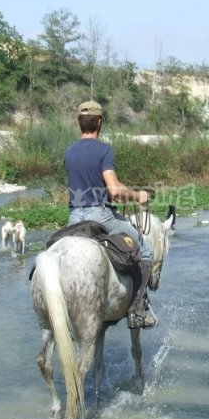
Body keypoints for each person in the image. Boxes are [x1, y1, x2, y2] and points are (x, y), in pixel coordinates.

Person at [64, 100, 157, 329]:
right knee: (145, 251)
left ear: (80, 123)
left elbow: (100, 183)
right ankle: (137, 310)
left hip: (74, 217)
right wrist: (138, 196)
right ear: (99, 122)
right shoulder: (103, 150)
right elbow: (114, 191)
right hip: (100, 216)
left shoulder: (69, 152)